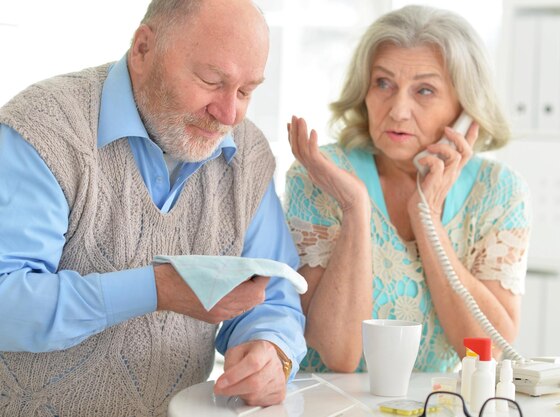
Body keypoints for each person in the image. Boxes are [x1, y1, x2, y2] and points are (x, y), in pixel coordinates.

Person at [0, 0, 305, 415]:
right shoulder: (45, 129)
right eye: (211, 80)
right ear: (143, 48)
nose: (228, 113)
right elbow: (7, 300)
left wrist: (269, 350)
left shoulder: (246, 155)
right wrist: (158, 290)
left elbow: (274, 292)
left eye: (247, 91)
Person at [285, 5, 531, 373]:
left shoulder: (498, 190)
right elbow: (338, 354)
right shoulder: (320, 175)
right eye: (383, 83)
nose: (398, 110)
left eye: (425, 91)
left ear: (464, 108)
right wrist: (355, 208)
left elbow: (487, 351)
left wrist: (426, 216)